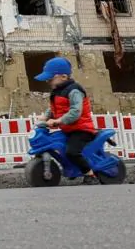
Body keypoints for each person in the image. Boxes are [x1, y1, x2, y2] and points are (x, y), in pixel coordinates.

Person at [35, 56, 99, 184]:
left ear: (63, 77)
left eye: (50, 78)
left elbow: (75, 112)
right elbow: (54, 108)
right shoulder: (57, 91)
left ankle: (90, 174)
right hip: (68, 129)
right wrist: (45, 117)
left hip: (82, 129)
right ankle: (72, 168)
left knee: (72, 152)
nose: (48, 81)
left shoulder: (74, 90)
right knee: (59, 145)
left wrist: (58, 121)